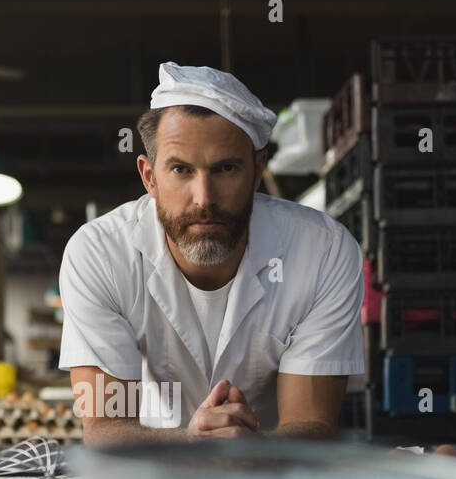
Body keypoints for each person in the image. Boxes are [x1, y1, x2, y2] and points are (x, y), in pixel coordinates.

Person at [58, 61, 366, 446]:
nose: (204, 200)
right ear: (149, 177)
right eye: (181, 170)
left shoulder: (323, 252)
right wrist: (192, 440)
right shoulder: (99, 255)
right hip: (152, 469)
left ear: (257, 171)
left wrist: (252, 448)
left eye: (226, 169)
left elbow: (314, 426)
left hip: (277, 472)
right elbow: (103, 429)